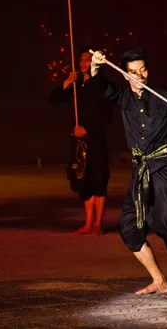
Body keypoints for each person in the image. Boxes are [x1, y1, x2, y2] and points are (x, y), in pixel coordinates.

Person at [90, 48, 167, 295]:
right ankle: (160, 280)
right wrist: (95, 66)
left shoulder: (164, 98)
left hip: (164, 167)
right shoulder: (123, 98)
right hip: (141, 170)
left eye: (143, 70)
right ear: (125, 75)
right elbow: (101, 87)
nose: (140, 76)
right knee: (129, 227)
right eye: (133, 72)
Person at [49, 47, 113, 235]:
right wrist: (68, 81)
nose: (84, 63)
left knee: (98, 179)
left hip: (95, 140)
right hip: (78, 142)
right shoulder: (75, 87)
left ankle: (98, 224)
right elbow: (53, 98)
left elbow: (107, 116)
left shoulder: (102, 85)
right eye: (82, 60)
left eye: (88, 59)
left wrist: (88, 129)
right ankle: (88, 223)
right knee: (82, 179)